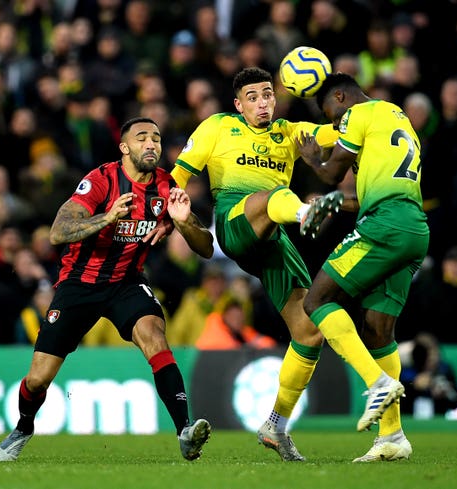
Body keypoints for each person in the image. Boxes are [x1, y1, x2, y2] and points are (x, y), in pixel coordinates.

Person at [0, 117, 213, 463]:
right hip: (79, 283)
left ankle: (185, 430)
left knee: (155, 336)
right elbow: (58, 231)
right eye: (142, 138)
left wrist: (184, 222)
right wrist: (107, 218)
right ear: (125, 148)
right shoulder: (102, 179)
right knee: (38, 379)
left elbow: (206, 249)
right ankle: (23, 427)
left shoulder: (166, 185)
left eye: (156, 138)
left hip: (127, 281)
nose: (152, 144)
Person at [163, 67, 343, 461]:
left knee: (309, 332)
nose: (263, 103)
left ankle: (276, 425)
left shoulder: (289, 132)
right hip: (235, 220)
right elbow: (175, 177)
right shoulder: (216, 127)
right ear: (238, 104)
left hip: (274, 235)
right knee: (269, 197)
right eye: (253, 97)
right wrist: (157, 219)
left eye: (268, 95)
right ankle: (305, 214)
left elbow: (334, 133)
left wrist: (364, 112)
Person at [295, 73, 430, 462]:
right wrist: (336, 202)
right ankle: (393, 437)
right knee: (377, 329)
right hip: (413, 228)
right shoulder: (397, 117)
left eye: (331, 113)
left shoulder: (358, 114)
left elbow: (332, 171)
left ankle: (377, 383)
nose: (334, 123)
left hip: (384, 225)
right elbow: (362, 191)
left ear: (340, 96)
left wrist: (310, 156)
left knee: (317, 299)